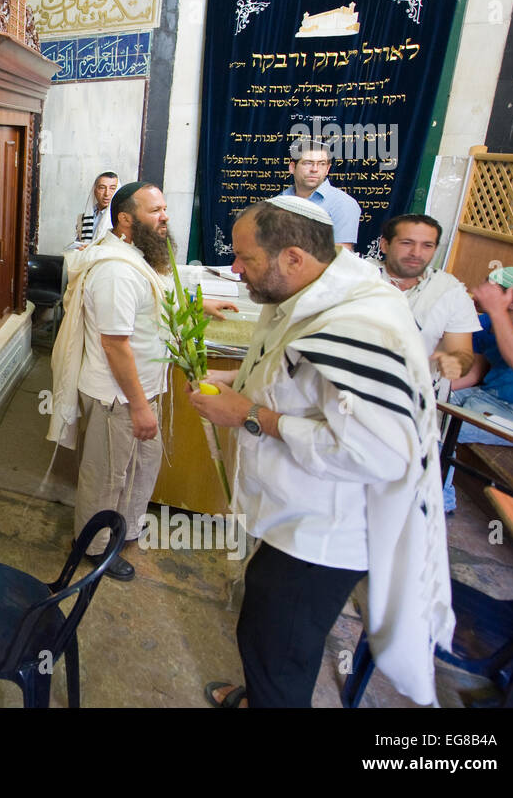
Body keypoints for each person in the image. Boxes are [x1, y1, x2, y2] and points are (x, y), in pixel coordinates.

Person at [191, 196, 452, 708]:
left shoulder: (357, 324)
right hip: (298, 519)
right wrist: (236, 380)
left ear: (293, 257)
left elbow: (377, 454)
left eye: (246, 259)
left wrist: (251, 415)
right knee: (275, 634)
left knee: (276, 643)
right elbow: (297, 379)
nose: (236, 268)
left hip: (323, 536)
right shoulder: (314, 293)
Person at [48, 181, 235, 580]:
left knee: (139, 468)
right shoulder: (116, 271)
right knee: (107, 477)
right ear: (126, 220)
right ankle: (95, 548)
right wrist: (137, 407)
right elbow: (116, 345)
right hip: (117, 397)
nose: (165, 216)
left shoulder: (140, 258)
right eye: (155, 211)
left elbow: (154, 299)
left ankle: (125, 531)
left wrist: (199, 302)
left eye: (165, 208)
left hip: (142, 390)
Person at [444, 266, 513, 511]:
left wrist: (497, 312)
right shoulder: (485, 321)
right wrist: (428, 390)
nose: (478, 292)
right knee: (423, 409)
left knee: (440, 428)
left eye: (491, 291)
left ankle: (441, 502)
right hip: (484, 399)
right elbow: (474, 373)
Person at [376, 213, 479, 382]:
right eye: (407, 243)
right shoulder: (358, 277)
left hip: (412, 397)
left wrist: (456, 363)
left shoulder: (450, 291)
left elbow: (462, 352)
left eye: (427, 246)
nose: (416, 253)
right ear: (385, 245)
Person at [282, 138, 361, 249]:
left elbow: (341, 257)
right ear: (292, 167)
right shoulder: (277, 202)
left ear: (327, 169)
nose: (315, 169)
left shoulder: (343, 204)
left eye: (321, 164)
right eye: (308, 163)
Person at [69, 171, 119, 249]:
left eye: (112, 188)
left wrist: (92, 249)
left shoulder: (120, 218)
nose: (107, 193)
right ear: (95, 190)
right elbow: (80, 242)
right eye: (102, 187)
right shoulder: (83, 218)